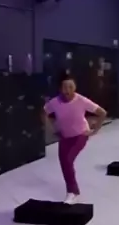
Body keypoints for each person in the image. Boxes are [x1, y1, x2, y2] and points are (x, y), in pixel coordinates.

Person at [44, 73, 106, 204]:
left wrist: (95, 130)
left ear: (75, 87)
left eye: (70, 87)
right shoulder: (55, 102)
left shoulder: (82, 100)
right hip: (64, 136)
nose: (67, 91)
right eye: (64, 87)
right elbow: (43, 113)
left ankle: (73, 192)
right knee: (64, 164)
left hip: (80, 135)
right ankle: (72, 191)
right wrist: (52, 129)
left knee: (68, 160)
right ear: (60, 89)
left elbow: (102, 113)